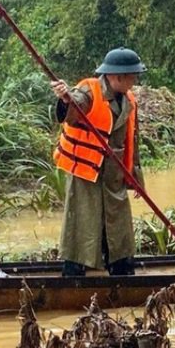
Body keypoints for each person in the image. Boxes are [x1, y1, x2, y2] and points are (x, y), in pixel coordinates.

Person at [51, 47, 146, 276]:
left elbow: (132, 142)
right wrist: (66, 98)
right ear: (116, 76)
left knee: (118, 228)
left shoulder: (129, 100)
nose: (134, 80)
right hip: (87, 173)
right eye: (131, 75)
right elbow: (75, 106)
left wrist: (136, 179)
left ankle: (121, 272)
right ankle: (73, 276)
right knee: (81, 226)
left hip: (114, 175)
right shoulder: (89, 90)